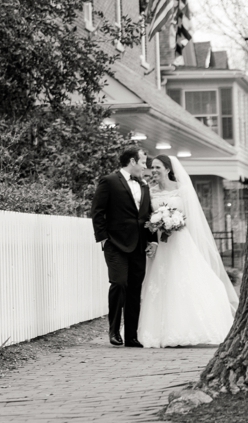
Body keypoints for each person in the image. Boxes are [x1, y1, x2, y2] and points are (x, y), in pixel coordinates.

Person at [137, 154, 238, 348]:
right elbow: (146, 218)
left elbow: (193, 219)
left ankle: (192, 327)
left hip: (182, 243)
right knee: (161, 282)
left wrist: (175, 223)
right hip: (161, 244)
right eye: (153, 168)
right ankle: (161, 330)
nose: (154, 171)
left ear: (168, 169)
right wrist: (157, 228)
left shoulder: (182, 190)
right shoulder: (150, 192)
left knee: (185, 280)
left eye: (158, 167)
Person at [90, 147, 155, 347]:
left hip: (139, 245)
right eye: (143, 162)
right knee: (119, 283)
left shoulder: (144, 186)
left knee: (135, 289)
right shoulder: (109, 181)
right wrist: (103, 238)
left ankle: (132, 336)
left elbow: (148, 215)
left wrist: (152, 240)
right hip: (115, 244)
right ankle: (114, 329)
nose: (145, 167)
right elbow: (97, 211)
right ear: (133, 161)